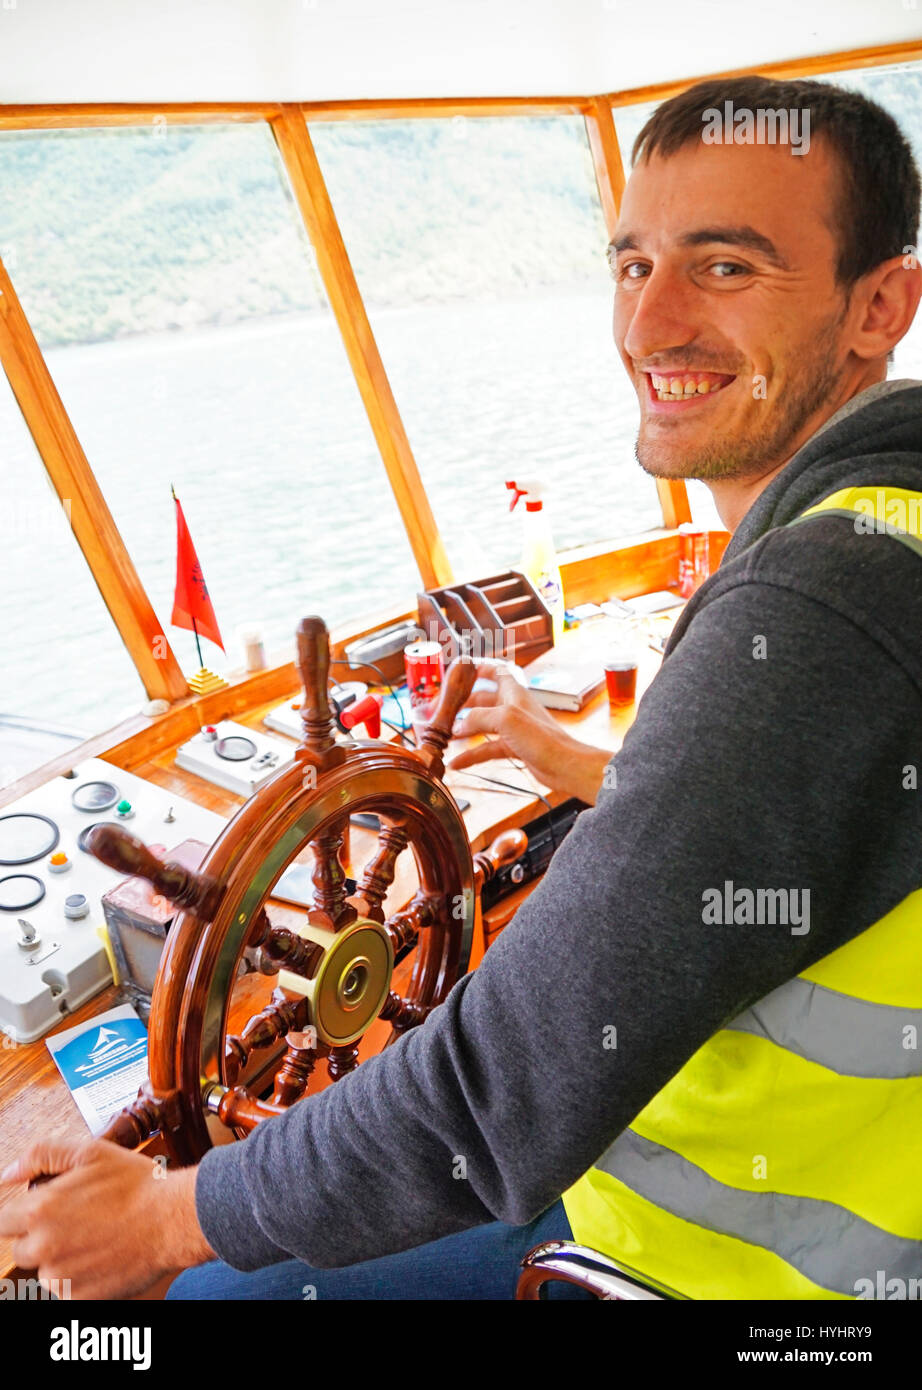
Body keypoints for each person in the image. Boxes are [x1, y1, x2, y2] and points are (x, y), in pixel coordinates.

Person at [4, 73, 922, 1301]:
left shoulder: (820, 606)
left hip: (709, 1258)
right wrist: (587, 770)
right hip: (719, 1152)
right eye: (633, 263)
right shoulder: (879, 533)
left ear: (881, 305)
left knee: (189, 1301)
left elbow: (499, 1092)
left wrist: (166, 1218)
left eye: (725, 266)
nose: (649, 326)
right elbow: (799, 824)